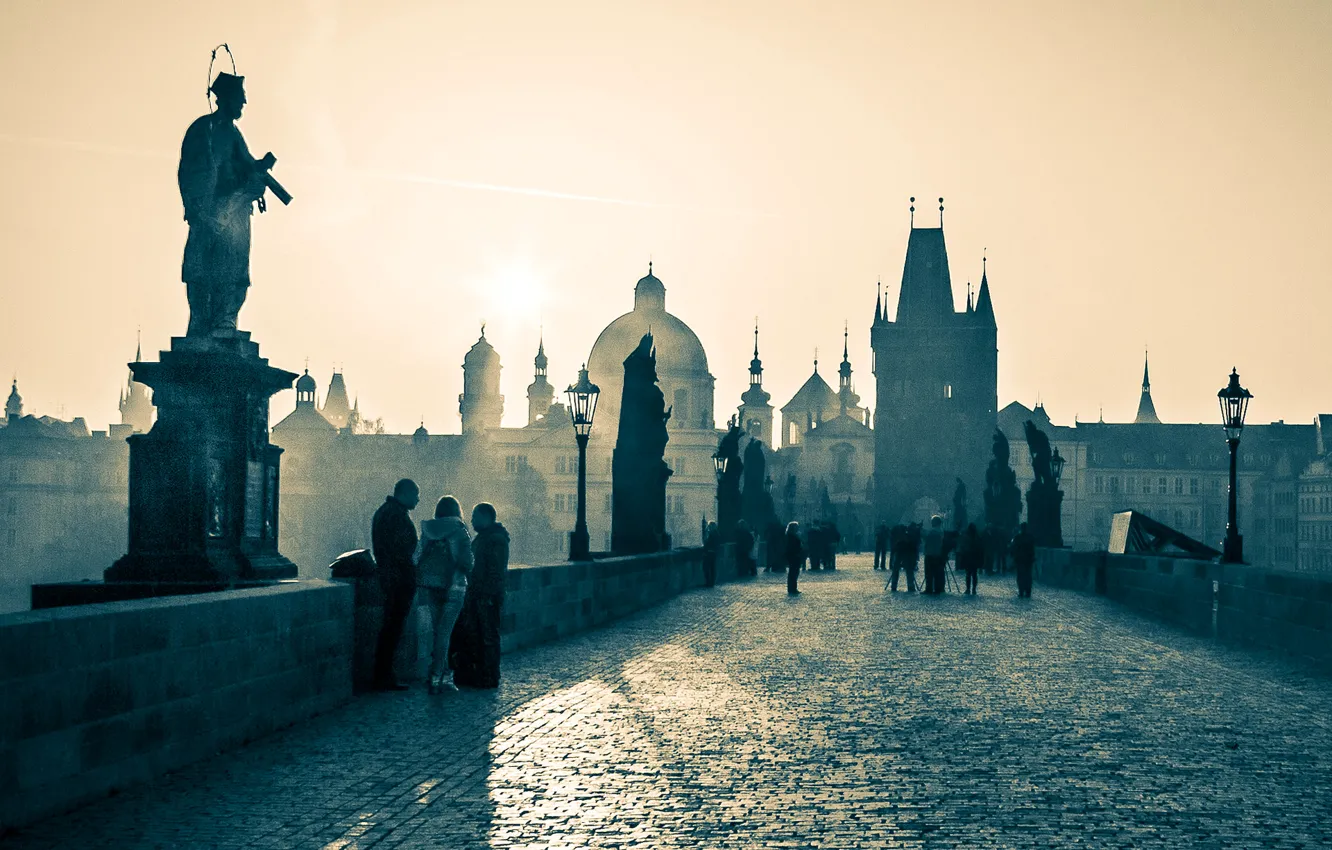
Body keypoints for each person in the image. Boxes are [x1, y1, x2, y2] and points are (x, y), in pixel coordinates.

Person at [178, 72, 274, 337]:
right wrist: (200, 210)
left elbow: (245, 166)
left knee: (234, 270)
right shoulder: (204, 129)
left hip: (235, 212)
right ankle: (201, 321)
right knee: (202, 268)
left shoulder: (233, 134)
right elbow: (193, 172)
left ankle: (225, 320)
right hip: (211, 213)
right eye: (240, 99)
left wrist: (258, 172)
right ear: (226, 99)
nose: (243, 103)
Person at [413, 495, 473, 694]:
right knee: (445, 632)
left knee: (438, 632)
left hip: (430, 585)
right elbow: (467, 562)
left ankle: (442, 674)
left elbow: (416, 556)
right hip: (453, 586)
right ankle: (438, 674)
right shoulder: (459, 530)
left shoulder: (428, 531)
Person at [449, 503, 510, 688]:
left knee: (488, 636)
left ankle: (489, 676)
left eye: (475, 516)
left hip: (487, 596)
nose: (473, 520)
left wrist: (488, 594)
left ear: (486, 517)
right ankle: (481, 674)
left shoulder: (495, 539)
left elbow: (494, 571)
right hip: (480, 595)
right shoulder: (486, 538)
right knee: (480, 635)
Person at [371, 479, 419, 691]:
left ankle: (384, 674)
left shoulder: (385, 512)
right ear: (405, 493)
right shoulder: (396, 516)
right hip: (397, 579)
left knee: (391, 628)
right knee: (392, 628)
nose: (418, 499)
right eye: (416, 494)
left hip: (390, 576)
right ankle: (383, 675)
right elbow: (402, 550)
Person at [1010, 522, 1037, 598]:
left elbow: (1013, 548)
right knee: (1028, 576)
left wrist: (1013, 557)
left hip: (1020, 560)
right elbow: (1033, 549)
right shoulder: (1031, 537)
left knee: (1020, 576)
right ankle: (1028, 591)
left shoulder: (1017, 537)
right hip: (1028, 560)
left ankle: (1021, 591)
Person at [958, 523, 984, 595]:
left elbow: (963, 547)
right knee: (974, 574)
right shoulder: (977, 537)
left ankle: (968, 589)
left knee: (968, 574)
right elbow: (981, 548)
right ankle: (973, 589)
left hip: (968, 557)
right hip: (975, 558)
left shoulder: (967, 536)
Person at [923, 515, 946, 595]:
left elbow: (926, 540)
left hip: (930, 554)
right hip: (939, 555)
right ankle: (938, 588)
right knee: (938, 573)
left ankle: (929, 588)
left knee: (929, 573)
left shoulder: (932, 532)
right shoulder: (942, 531)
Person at [784, 521, 804, 595]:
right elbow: (793, 547)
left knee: (793, 572)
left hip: (793, 556)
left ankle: (792, 588)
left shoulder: (791, 536)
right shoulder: (791, 536)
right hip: (794, 556)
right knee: (793, 572)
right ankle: (792, 588)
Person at [702, 521, 720, 587]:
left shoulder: (711, 534)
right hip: (713, 553)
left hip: (709, 553)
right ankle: (711, 582)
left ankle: (708, 583)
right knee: (712, 568)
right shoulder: (717, 534)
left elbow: (706, 543)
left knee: (706, 568)